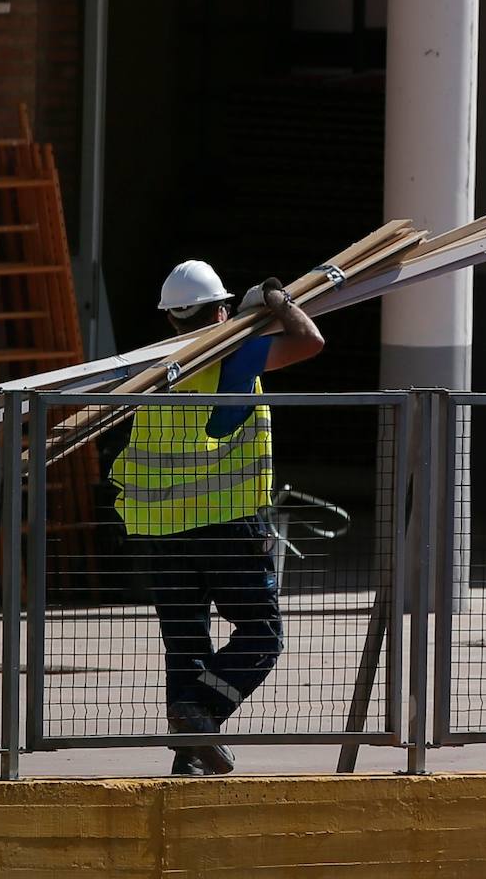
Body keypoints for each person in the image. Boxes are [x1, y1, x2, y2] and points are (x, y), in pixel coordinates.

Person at [109, 259, 324, 775]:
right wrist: (280, 302)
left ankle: (191, 759)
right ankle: (199, 714)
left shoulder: (153, 367)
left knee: (186, 644)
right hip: (225, 520)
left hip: (160, 527)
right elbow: (311, 342)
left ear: (171, 320)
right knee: (261, 635)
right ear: (222, 310)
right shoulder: (237, 354)